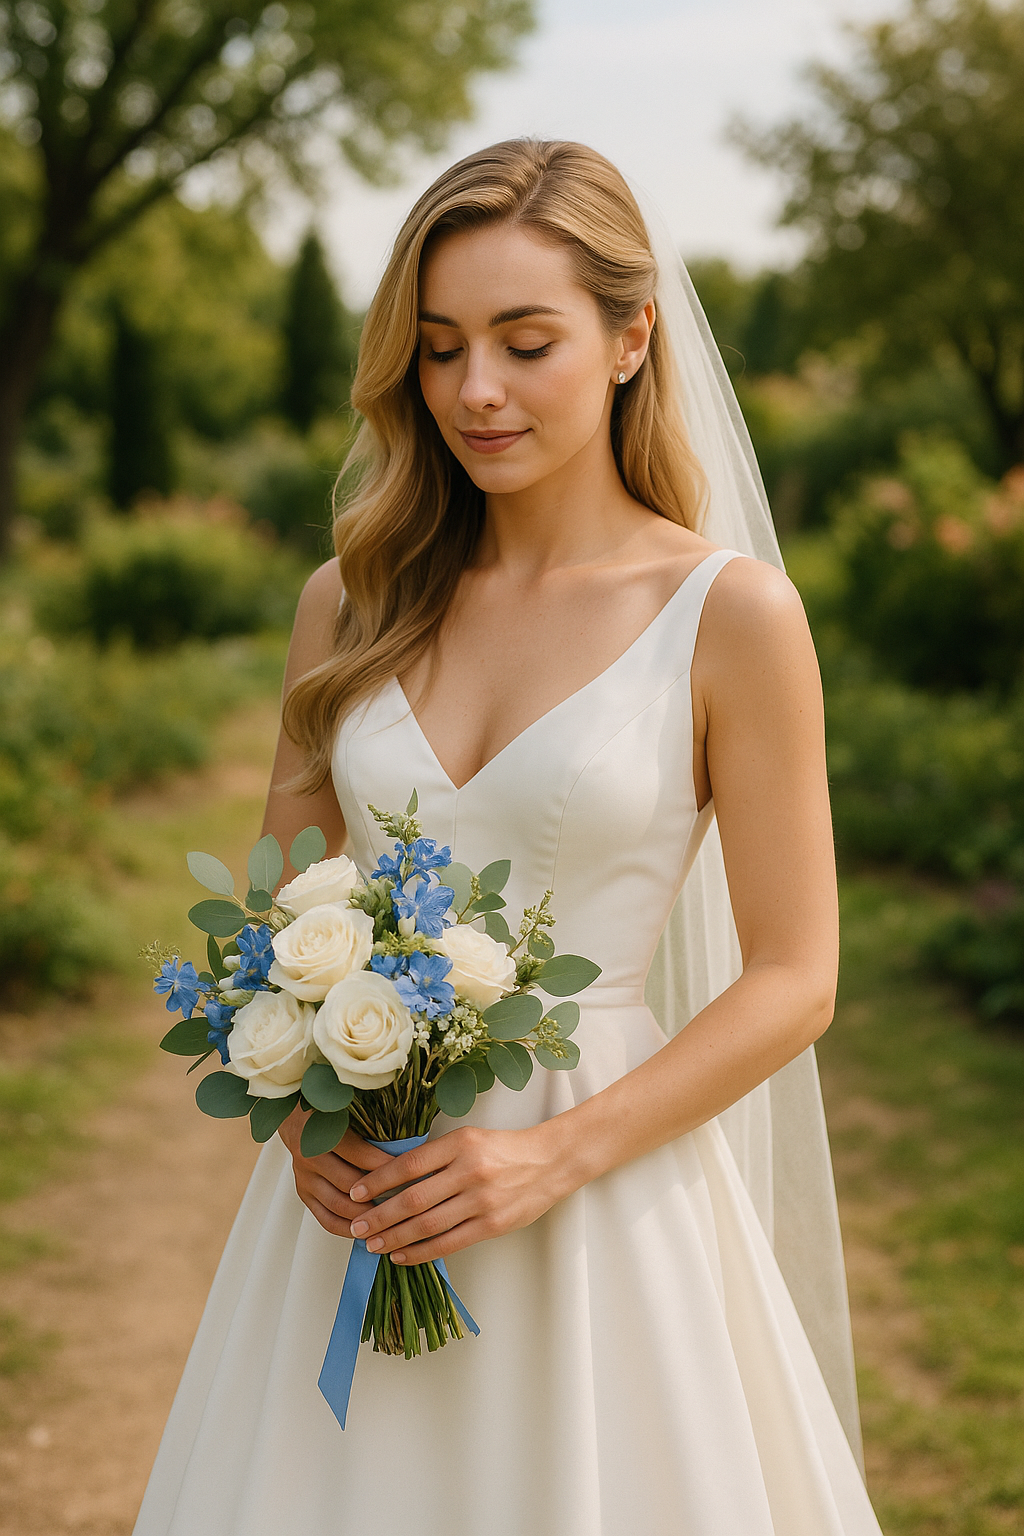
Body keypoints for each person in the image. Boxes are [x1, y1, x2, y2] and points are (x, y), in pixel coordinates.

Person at [133, 139, 884, 1535]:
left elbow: (797, 978)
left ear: (627, 337)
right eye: (438, 348)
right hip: (360, 1204)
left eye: (524, 342)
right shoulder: (347, 602)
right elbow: (278, 909)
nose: (474, 389)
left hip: (602, 1200)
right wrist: (303, 1115)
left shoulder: (730, 617)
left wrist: (553, 1155)